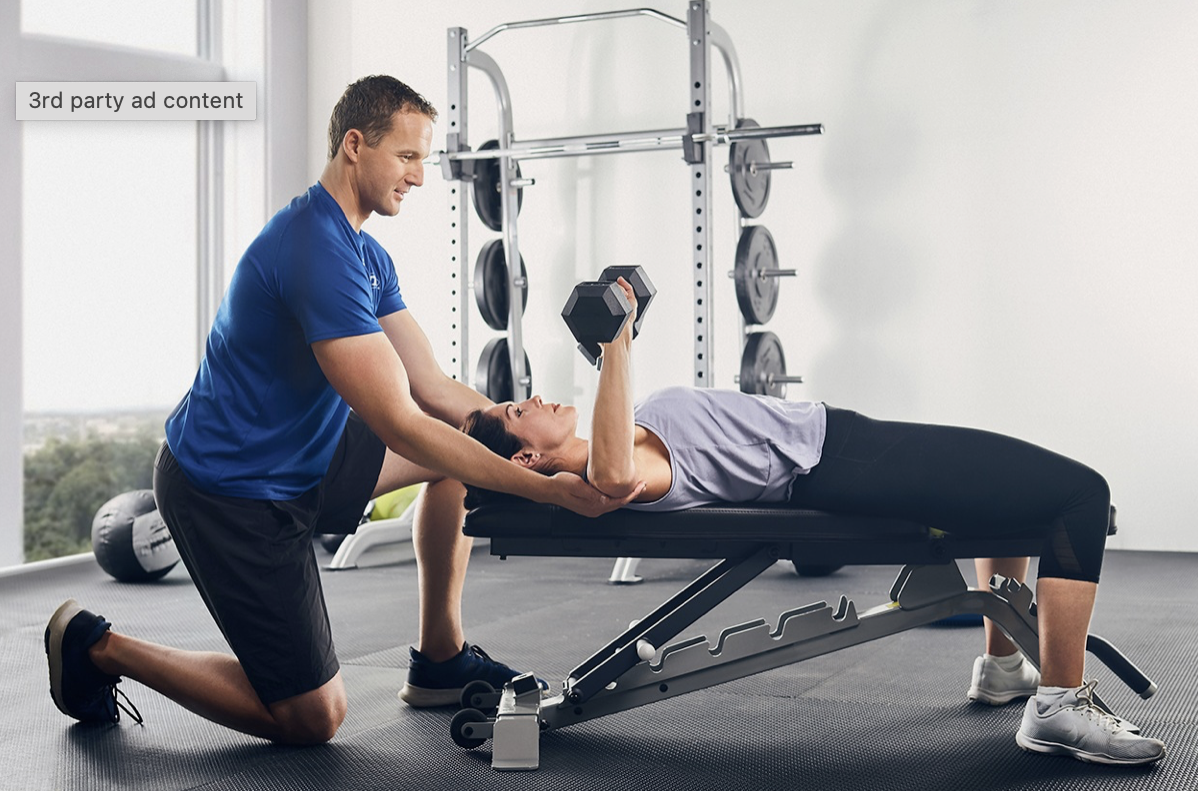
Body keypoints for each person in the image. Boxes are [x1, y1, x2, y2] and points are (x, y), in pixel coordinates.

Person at [44, 75, 641, 745]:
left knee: (456, 453)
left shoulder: (365, 253)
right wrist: (545, 488)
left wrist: (533, 437)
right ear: (355, 145)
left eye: (424, 160)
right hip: (232, 492)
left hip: (309, 456)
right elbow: (399, 424)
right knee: (312, 719)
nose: (420, 176)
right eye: (408, 157)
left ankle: (440, 657)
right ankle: (96, 646)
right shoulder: (313, 251)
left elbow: (436, 392)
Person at [461, 278, 1167, 766]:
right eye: (521, 407)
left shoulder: (621, 433)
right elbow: (614, 475)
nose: (538, 396)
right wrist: (616, 344)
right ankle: (1057, 705)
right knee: (1080, 493)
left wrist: (614, 347)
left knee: (1010, 493)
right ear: (526, 454)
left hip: (846, 442)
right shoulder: (617, 468)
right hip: (843, 462)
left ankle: (1004, 668)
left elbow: (611, 439)